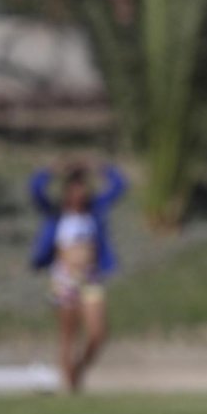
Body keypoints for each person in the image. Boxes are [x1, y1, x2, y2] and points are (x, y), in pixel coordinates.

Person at [29, 162, 127, 392]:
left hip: (90, 277)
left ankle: (79, 368)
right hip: (65, 279)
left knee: (98, 333)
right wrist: (51, 171)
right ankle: (70, 387)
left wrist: (101, 168)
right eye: (74, 188)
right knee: (68, 335)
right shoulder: (56, 215)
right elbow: (34, 189)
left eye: (82, 188)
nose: (79, 193)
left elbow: (119, 186)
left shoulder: (94, 212)